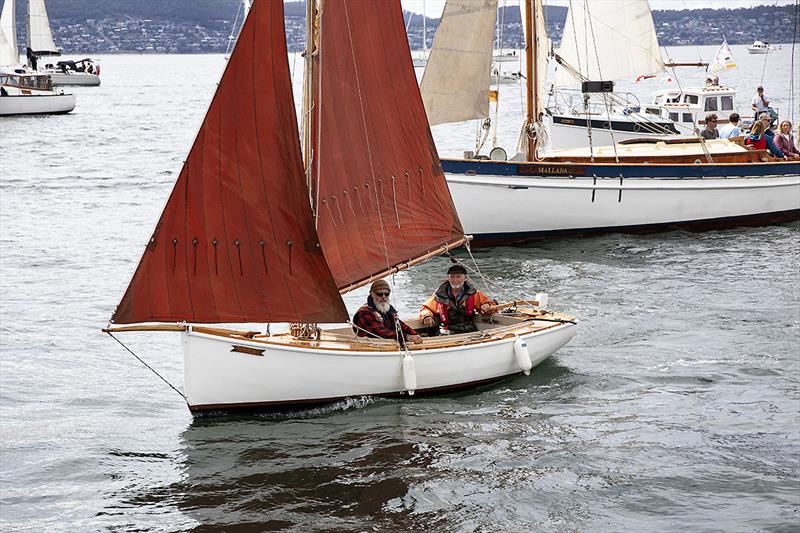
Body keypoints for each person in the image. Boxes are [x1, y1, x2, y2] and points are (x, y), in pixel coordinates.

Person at [419, 264, 496, 334]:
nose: (455, 280)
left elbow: (490, 306)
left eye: (458, 276)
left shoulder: (474, 294)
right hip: (447, 330)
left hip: (469, 330)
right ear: (448, 278)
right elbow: (426, 308)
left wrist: (487, 306)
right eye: (452, 277)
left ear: (465, 278)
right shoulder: (439, 295)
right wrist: (426, 316)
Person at [353, 279, 422, 344]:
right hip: (371, 346)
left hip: (385, 344)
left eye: (386, 294)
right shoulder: (364, 313)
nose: (383, 297)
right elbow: (380, 333)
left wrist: (415, 334)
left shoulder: (386, 309)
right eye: (379, 294)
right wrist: (407, 337)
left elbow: (400, 325)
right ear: (371, 294)